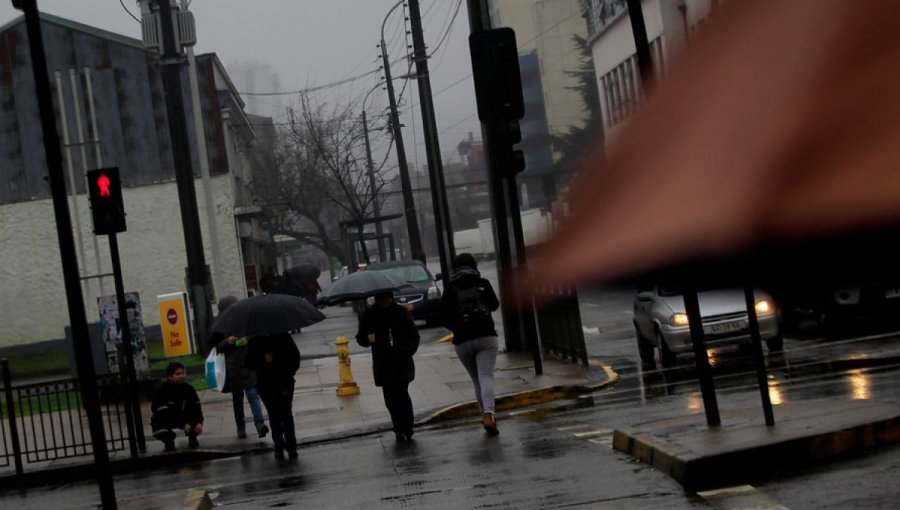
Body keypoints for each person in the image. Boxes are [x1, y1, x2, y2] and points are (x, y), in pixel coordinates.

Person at [440, 253, 501, 436]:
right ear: (474, 266)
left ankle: (485, 415)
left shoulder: (450, 288)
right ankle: (489, 414)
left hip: (462, 341)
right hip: (486, 337)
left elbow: (443, 316)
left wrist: (458, 327)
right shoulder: (482, 283)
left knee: (476, 380)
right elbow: (494, 305)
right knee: (486, 377)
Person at [355, 291, 420, 441]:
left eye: (386, 298)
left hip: (401, 360)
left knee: (402, 394)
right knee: (390, 397)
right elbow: (361, 338)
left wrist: (408, 350)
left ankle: (407, 426)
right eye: (380, 299)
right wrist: (367, 338)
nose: (384, 301)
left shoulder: (401, 312)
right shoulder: (370, 314)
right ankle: (398, 426)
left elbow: (413, 334)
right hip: (383, 362)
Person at [212, 295, 270, 440]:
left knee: (252, 394)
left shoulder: (245, 320)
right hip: (232, 368)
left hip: (247, 363)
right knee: (237, 398)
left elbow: (255, 336)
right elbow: (216, 347)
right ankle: (241, 427)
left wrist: (247, 340)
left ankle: (259, 424)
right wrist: (227, 341)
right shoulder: (220, 325)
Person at [245, 332, 301, 460]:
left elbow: (295, 358)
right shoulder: (256, 340)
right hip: (267, 385)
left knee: (285, 413)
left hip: (283, 382)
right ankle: (279, 446)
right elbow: (249, 362)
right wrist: (263, 359)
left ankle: (290, 446)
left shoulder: (282, 336)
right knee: (274, 414)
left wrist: (284, 368)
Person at [151, 361, 204, 451]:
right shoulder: (162, 390)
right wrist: (182, 423)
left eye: (182, 373)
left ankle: (192, 437)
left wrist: (199, 422)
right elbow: (163, 413)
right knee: (160, 428)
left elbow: (197, 407)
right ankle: (169, 441)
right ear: (170, 376)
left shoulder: (189, 389)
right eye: (177, 374)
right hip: (166, 419)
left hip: (184, 417)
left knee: (195, 419)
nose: (181, 376)